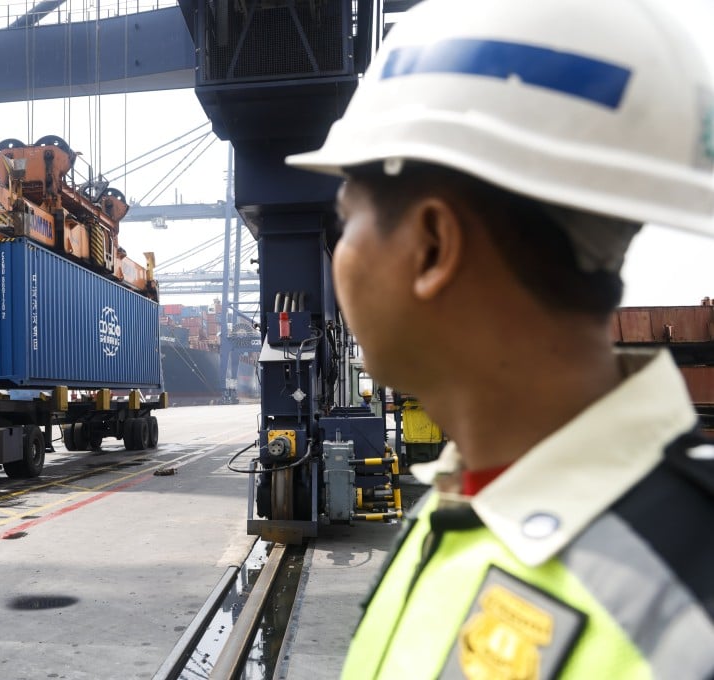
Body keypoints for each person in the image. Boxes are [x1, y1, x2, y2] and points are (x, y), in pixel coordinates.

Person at [286, 0, 714, 677]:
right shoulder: (456, 512)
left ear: (431, 246)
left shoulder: (688, 612)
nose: (340, 257)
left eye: (349, 222)